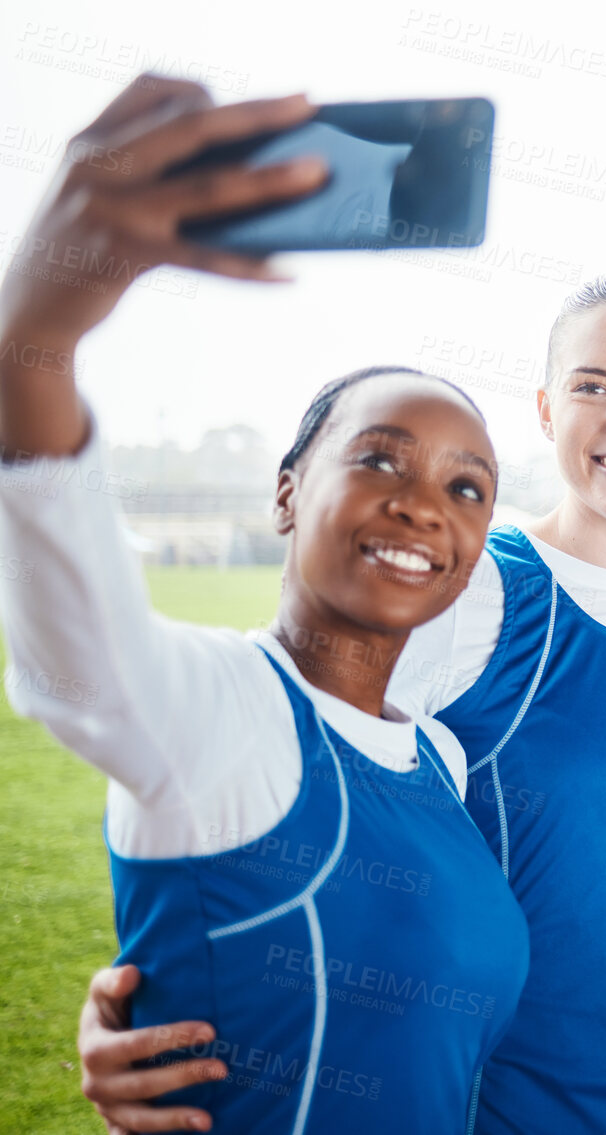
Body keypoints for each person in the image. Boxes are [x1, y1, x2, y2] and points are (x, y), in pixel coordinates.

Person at [77, 264, 606, 1134]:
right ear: (548, 409)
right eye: (595, 386)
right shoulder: (471, 594)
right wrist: (157, 994)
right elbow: (283, 766)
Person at [0, 77, 529, 1134]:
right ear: (287, 492)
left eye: (466, 485)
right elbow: (74, 609)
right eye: (379, 458)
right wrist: (34, 328)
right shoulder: (214, 710)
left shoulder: (439, 758)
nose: (423, 504)